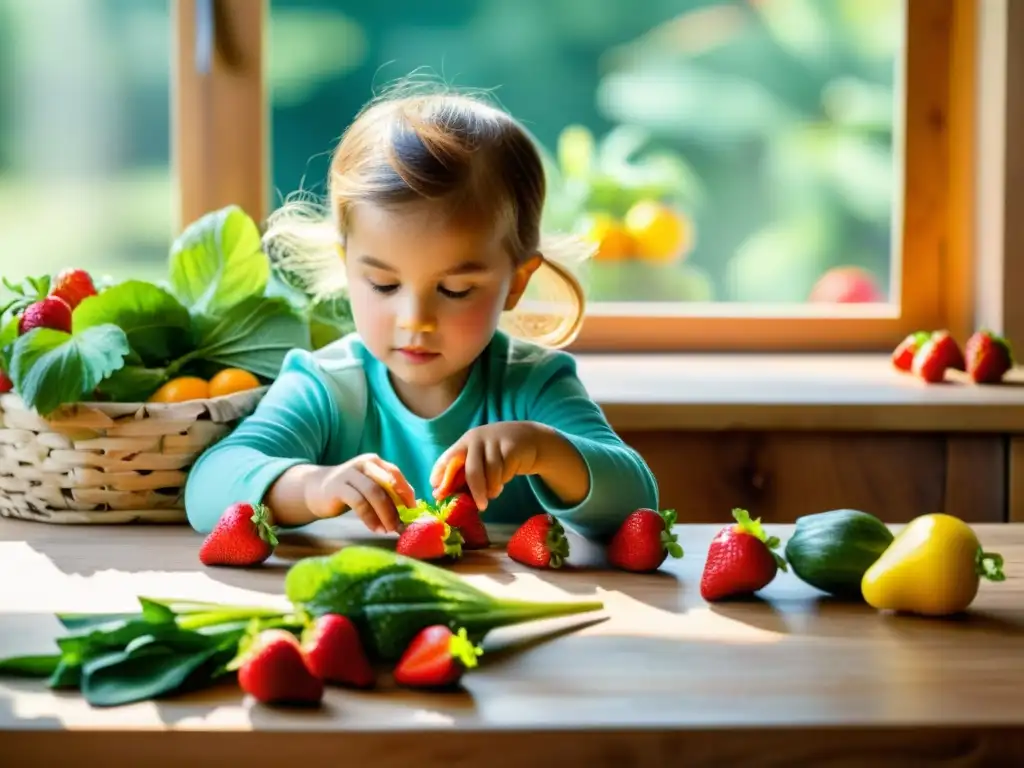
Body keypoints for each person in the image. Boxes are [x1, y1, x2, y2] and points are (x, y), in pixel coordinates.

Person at [183, 85, 659, 541]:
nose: (416, 319)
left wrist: (544, 449)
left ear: (515, 282)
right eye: (384, 284)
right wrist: (313, 486)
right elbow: (207, 491)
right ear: (348, 266)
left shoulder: (533, 385)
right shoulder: (328, 385)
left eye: (454, 289)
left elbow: (639, 507)